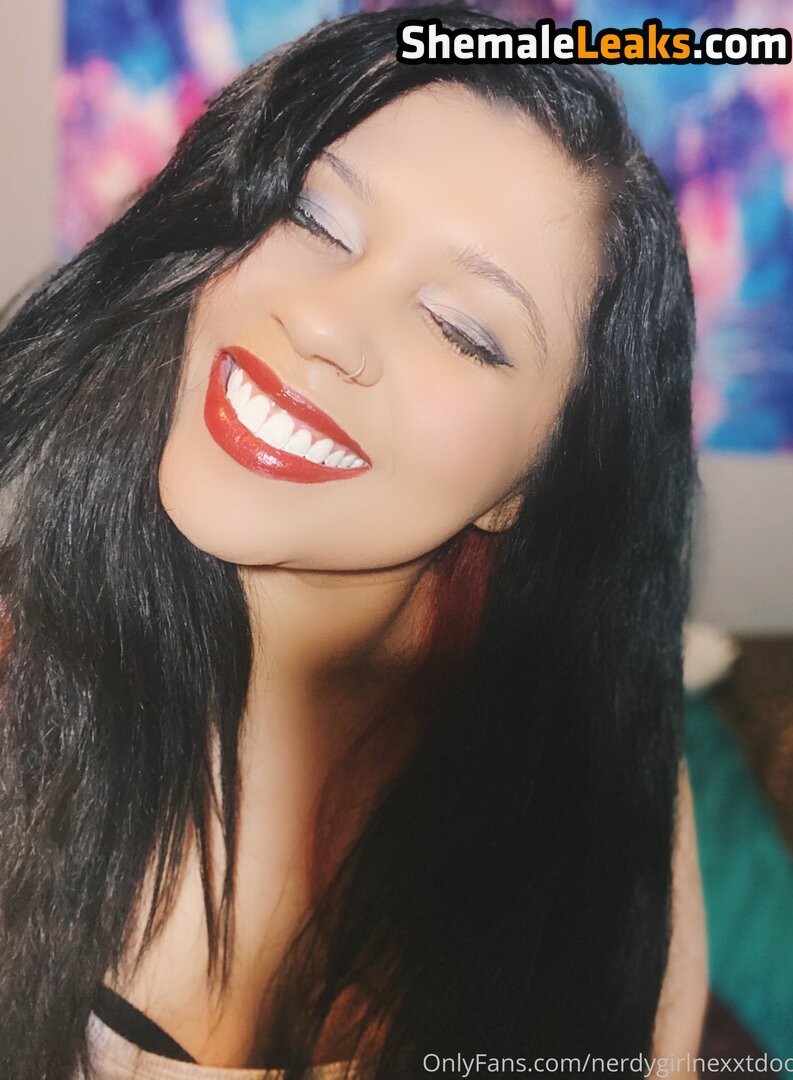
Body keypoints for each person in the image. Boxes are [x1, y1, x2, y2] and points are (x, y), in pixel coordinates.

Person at [0, 5, 708, 1078]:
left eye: (462, 328)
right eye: (315, 218)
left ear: (532, 483)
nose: (325, 320)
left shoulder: (589, 799)